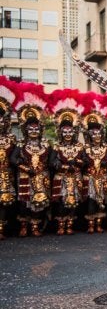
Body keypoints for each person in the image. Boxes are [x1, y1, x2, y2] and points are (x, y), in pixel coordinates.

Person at [11, 99, 51, 237]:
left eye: (36, 129)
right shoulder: (21, 144)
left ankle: (35, 225)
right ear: (25, 130)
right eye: (30, 129)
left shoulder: (45, 144)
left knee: (39, 201)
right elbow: (13, 159)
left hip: (41, 176)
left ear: (40, 130)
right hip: (25, 176)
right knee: (24, 202)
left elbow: (51, 161)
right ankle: (23, 226)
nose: (34, 131)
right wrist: (26, 169)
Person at [49, 95, 85, 236]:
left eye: (70, 131)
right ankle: (60, 225)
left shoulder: (79, 146)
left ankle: (69, 225)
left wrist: (76, 163)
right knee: (61, 202)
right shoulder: (57, 147)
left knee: (73, 201)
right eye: (65, 132)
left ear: (74, 132)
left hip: (76, 177)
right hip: (61, 178)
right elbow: (52, 162)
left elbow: (85, 161)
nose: (68, 134)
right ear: (60, 132)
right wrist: (63, 166)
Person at [82, 109, 107, 234]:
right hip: (90, 178)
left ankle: (99, 224)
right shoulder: (85, 148)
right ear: (89, 135)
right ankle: (91, 224)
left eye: (98, 134)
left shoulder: (106, 148)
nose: (96, 136)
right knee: (91, 200)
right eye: (94, 134)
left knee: (102, 200)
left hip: (103, 178)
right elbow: (82, 161)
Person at [0, 80, 16, 240]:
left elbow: (14, 157)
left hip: (6, 175)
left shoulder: (10, 139)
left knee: (5, 201)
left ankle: (3, 228)